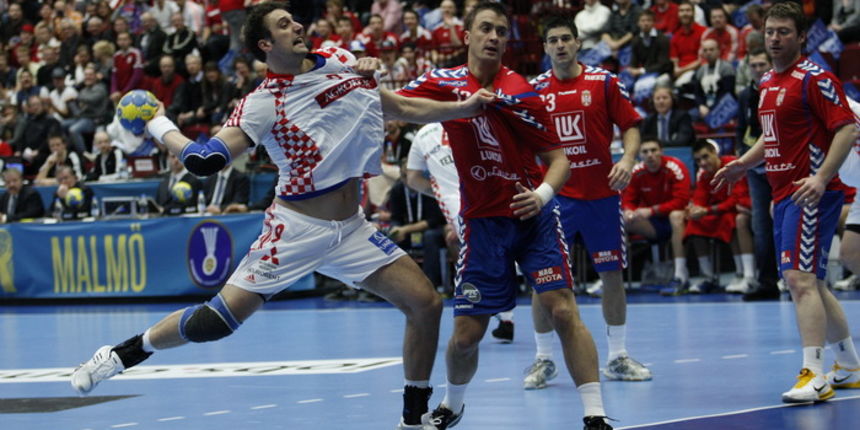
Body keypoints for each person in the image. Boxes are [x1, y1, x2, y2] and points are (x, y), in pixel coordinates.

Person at [70, 4, 494, 430]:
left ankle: (411, 419)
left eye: (294, 19)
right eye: (283, 24)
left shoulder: (341, 61)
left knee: (425, 304)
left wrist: (466, 108)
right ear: (265, 45)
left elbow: (402, 107)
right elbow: (203, 160)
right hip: (294, 230)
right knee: (215, 322)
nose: (297, 26)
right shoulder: (263, 102)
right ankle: (124, 352)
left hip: (351, 229)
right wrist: (159, 124)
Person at [397, 3, 612, 429]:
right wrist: (363, 77)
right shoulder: (445, 82)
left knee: (562, 309)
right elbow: (394, 104)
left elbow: (558, 158)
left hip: (533, 220)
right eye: (486, 29)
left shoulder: (521, 92)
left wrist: (543, 194)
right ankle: (452, 404)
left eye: (501, 30)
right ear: (467, 36)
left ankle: (595, 415)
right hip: (483, 225)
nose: (494, 37)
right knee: (465, 337)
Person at [712, 2, 860, 403]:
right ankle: (847, 364)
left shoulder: (815, 77)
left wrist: (822, 177)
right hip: (784, 193)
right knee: (811, 281)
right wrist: (743, 163)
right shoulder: (767, 82)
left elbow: (847, 127)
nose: (774, 38)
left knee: (799, 280)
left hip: (810, 191)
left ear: (801, 37)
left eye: (783, 32)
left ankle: (814, 373)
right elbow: (771, 136)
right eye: (770, 31)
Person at [528, 16, 650, 388]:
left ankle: (617, 357)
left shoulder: (604, 82)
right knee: (543, 281)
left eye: (567, 38)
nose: (561, 45)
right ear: (545, 47)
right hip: (554, 197)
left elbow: (631, 125)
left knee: (612, 275)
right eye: (553, 40)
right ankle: (543, 359)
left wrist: (627, 160)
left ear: (578, 43)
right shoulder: (533, 90)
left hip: (600, 196)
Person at [736, 48, 780, 301]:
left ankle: (796, 278)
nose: (758, 69)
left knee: (787, 221)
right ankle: (767, 282)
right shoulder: (745, 95)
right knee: (761, 226)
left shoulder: (777, 89)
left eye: (762, 64)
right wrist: (744, 160)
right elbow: (741, 128)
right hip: (756, 169)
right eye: (753, 65)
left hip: (781, 166)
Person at [622, 137, 692, 294]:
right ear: (640, 155)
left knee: (676, 215)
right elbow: (628, 200)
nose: (650, 155)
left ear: (661, 152)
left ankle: (681, 276)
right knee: (621, 220)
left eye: (653, 150)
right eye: (645, 152)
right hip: (653, 225)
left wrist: (653, 210)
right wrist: (628, 211)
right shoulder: (637, 172)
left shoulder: (675, 167)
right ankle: (613, 278)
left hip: (679, 222)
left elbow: (681, 201)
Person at [685, 140, 753, 294]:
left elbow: (737, 200)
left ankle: (744, 274)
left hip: (742, 208)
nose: (702, 162)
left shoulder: (732, 165)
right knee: (693, 224)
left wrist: (707, 210)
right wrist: (694, 209)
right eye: (698, 160)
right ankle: (707, 277)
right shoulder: (703, 175)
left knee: (734, 220)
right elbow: (699, 198)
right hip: (720, 211)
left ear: (715, 153)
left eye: (705, 157)